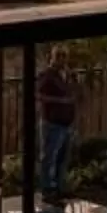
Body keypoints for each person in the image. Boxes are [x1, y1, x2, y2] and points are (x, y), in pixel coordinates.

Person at [35, 49, 78, 197]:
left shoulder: (65, 75)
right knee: (48, 156)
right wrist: (61, 101)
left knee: (62, 157)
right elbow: (39, 95)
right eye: (59, 57)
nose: (62, 61)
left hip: (66, 122)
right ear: (53, 58)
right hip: (52, 122)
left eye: (64, 58)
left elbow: (73, 93)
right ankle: (47, 189)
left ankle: (59, 186)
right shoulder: (46, 76)